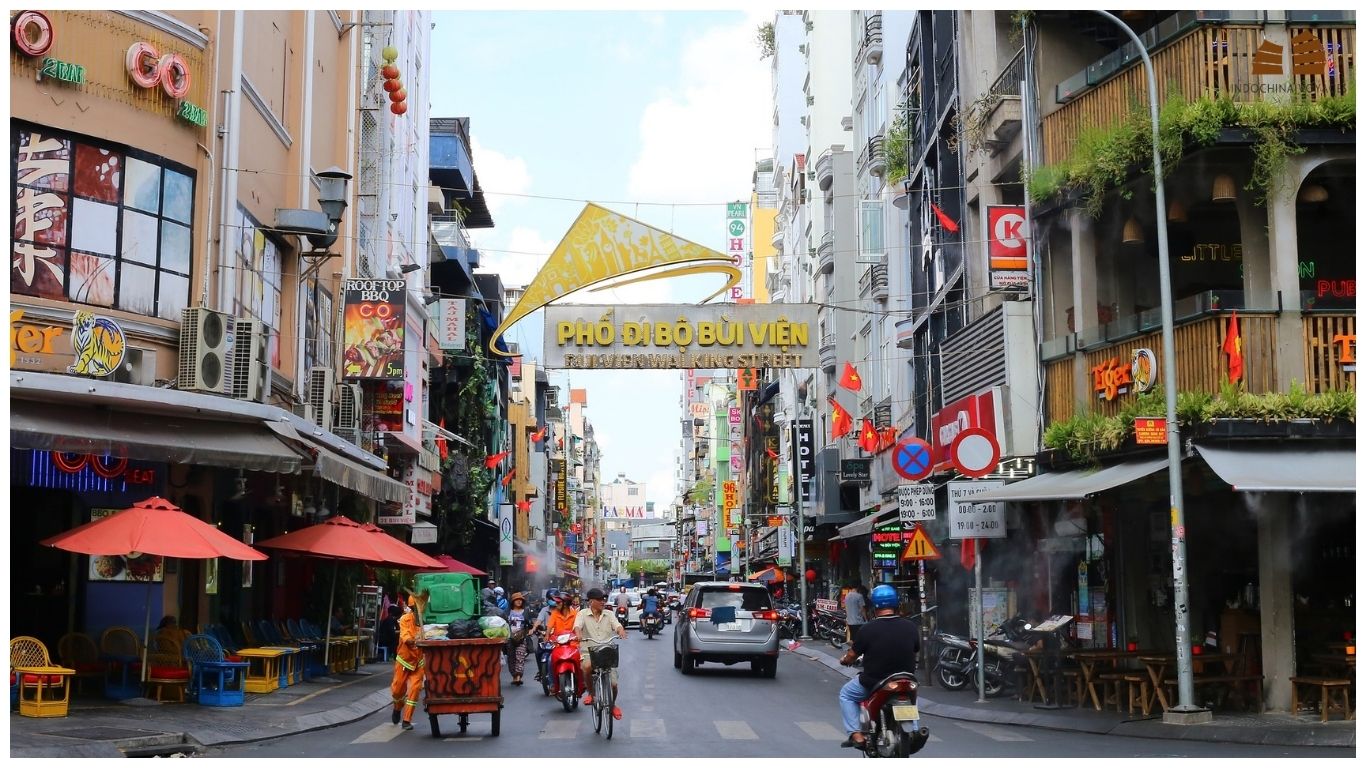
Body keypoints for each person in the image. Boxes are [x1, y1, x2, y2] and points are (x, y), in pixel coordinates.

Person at [837, 584, 921, 749]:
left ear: (874, 606)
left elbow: (852, 655)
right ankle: (915, 730)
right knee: (911, 697)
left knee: (846, 695)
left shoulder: (867, 629)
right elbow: (915, 648)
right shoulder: (910, 626)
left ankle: (856, 735)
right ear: (896, 604)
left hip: (875, 681)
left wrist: (844, 660)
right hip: (906, 679)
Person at [575, 587, 628, 721]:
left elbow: (617, 625)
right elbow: (577, 626)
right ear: (591, 601)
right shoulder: (582, 614)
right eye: (599, 600)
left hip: (607, 652)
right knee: (587, 667)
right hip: (589, 652)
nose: (602, 602)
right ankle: (591, 694)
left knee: (614, 685)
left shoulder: (609, 614)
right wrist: (578, 634)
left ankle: (612, 705)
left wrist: (620, 630)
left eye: (603, 599)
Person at [390, 590, 427, 731]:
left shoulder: (426, 622)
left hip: (418, 662)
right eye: (417, 607)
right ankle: (397, 707)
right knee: (397, 690)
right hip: (404, 660)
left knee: (415, 689)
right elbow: (405, 637)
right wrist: (414, 641)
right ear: (412, 608)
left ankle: (407, 720)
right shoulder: (405, 619)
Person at [506, 592, 530, 685]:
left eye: (520, 600)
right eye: (517, 600)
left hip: (522, 638)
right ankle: (514, 676)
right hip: (509, 638)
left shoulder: (526, 611)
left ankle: (519, 676)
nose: (519, 601)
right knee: (511, 658)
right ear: (513, 602)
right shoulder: (508, 612)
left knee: (520, 657)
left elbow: (529, 623)